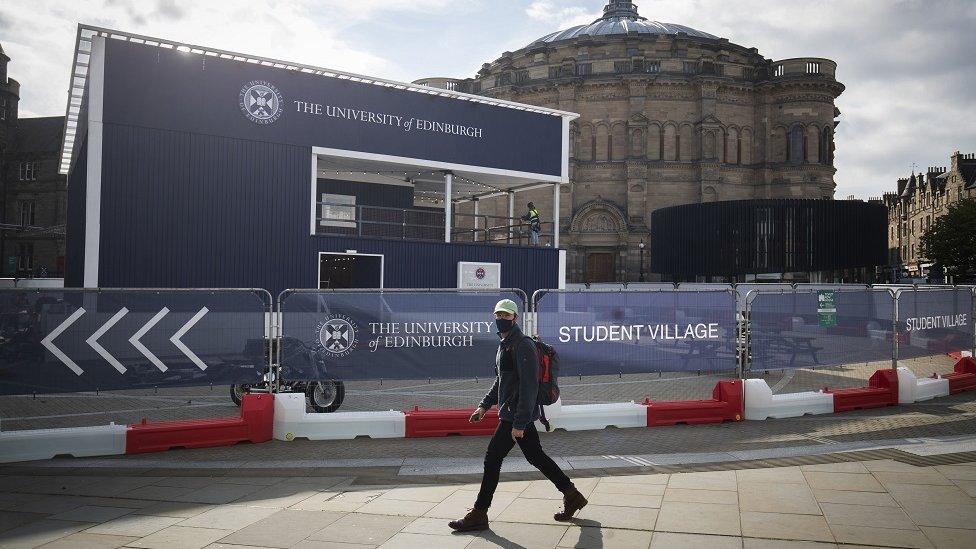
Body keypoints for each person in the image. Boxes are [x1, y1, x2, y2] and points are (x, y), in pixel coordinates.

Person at [448, 299, 587, 532]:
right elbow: (502, 381)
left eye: (506, 315)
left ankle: (479, 513)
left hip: (515, 416)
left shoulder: (522, 345)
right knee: (536, 457)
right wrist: (484, 406)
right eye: (498, 315)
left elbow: (529, 386)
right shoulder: (504, 344)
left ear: (515, 318)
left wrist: (520, 423)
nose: (501, 319)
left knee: (493, 458)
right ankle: (572, 494)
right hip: (512, 414)